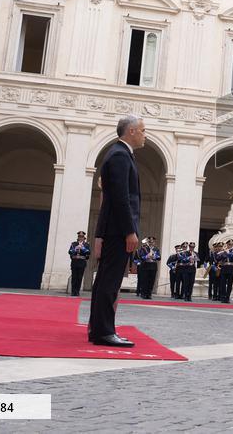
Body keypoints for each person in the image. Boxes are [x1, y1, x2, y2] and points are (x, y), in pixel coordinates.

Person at [88, 114, 145, 347]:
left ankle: (99, 329)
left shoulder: (118, 154)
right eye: (142, 130)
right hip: (118, 230)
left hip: (113, 228)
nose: (144, 134)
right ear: (130, 131)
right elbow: (121, 199)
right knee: (109, 283)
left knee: (105, 281)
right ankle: (104, 332)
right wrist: (130, 231)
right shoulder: (120, 155)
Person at [68, 231, 90, 296]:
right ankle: (73, 291)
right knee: (74, 277)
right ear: (78, 237)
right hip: (74, 262)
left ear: (84, 238)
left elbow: (88, 253)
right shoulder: (74, 244)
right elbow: (69, 252)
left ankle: (77, 291)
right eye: (79, 236)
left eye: (82, 237)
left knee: (79, 277)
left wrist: (83, 248)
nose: (80, 238)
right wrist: (75, 249)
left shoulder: (86, 245)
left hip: (81, 262)